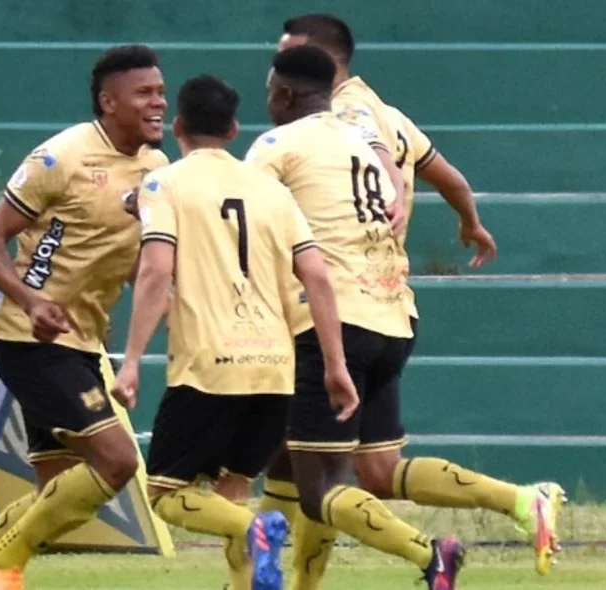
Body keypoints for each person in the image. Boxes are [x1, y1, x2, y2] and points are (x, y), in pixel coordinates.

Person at [262, 14, 564, 584]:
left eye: (283, 56)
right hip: (390, 306)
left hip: (330, 306)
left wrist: (395, 191)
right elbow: (448, 176)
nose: (272, 67)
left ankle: (430, 554)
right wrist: (471, 223)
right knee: (366, 469)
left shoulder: (342, 115)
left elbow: (371, 157)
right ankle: (523, 501)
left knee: (316, 479)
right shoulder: (391, 111)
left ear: (313, 63)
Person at [0, 44, 171, 590]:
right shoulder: (62, 158)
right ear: (109, 102)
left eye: (160, 91)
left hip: (84, 342)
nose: (159, 103)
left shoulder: (156, 167)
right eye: (145, 93)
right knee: (118, 462)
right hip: (28, 340)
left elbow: (133, 262)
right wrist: (31, 301)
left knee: (49, 500)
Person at [109, 73, 358, 590]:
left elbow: (155, 270)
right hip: (274, 367)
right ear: (233, 129)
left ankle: (255, 529)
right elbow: (317, 276)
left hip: (210, 367)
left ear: (177, 125)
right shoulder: (272, 190)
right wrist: (335, 365)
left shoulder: (167, 182)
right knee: (233, 488)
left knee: (165, 494)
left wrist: (131, 360)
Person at [244, 46, 468, 589]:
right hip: (391, 319)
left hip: (332, 323)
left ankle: (429, 553)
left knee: (319, 488)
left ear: (283, 94)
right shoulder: (367, 140)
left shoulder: (276, 146)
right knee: (328, 472)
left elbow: (238, 217)